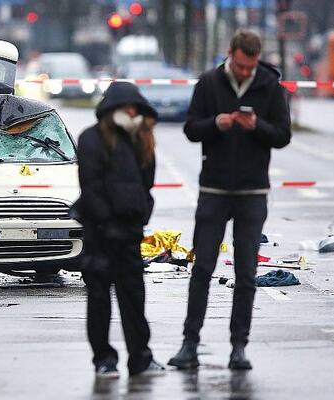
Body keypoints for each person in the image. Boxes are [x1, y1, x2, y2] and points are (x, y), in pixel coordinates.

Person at [167, 30, 291, 370]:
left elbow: (282, 136)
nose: (244, 72)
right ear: (230, 54)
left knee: (247, 273)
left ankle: (239, 347)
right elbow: (191, 128)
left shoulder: (270, 87)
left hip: (252, 191)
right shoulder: (208, 83)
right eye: (239, 66)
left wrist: (257, 127)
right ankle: (189, 343)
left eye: (249, 67)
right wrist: (216, 123)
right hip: (215, 189)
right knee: (202, 268)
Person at [74, 82, 165, 379]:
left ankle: (140, 357)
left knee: (134, 299)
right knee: (99, 299)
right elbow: (91, 186)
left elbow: (145, 186)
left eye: (135, 107)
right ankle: (104, 358)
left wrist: (139, 218)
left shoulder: (142, 138)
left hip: (128, 234)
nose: (132, 112)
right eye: (127, 107)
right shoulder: (91, 138)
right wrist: (104, 222)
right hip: (100, 235)